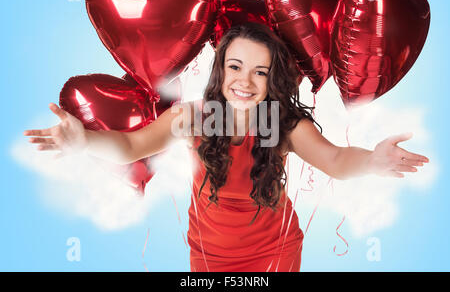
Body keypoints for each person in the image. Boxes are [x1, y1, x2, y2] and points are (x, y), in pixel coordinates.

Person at [23, 22, 429, 272]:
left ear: (273, 81)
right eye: (235, 67)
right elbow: (131, 145)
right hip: (208, 257)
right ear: (220, 70)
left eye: (259, 72)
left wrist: (373, 160)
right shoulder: (191, 118)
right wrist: (84, 140)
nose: (245, 81)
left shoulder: (285, 124)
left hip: (274, 253)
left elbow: (337, 160)